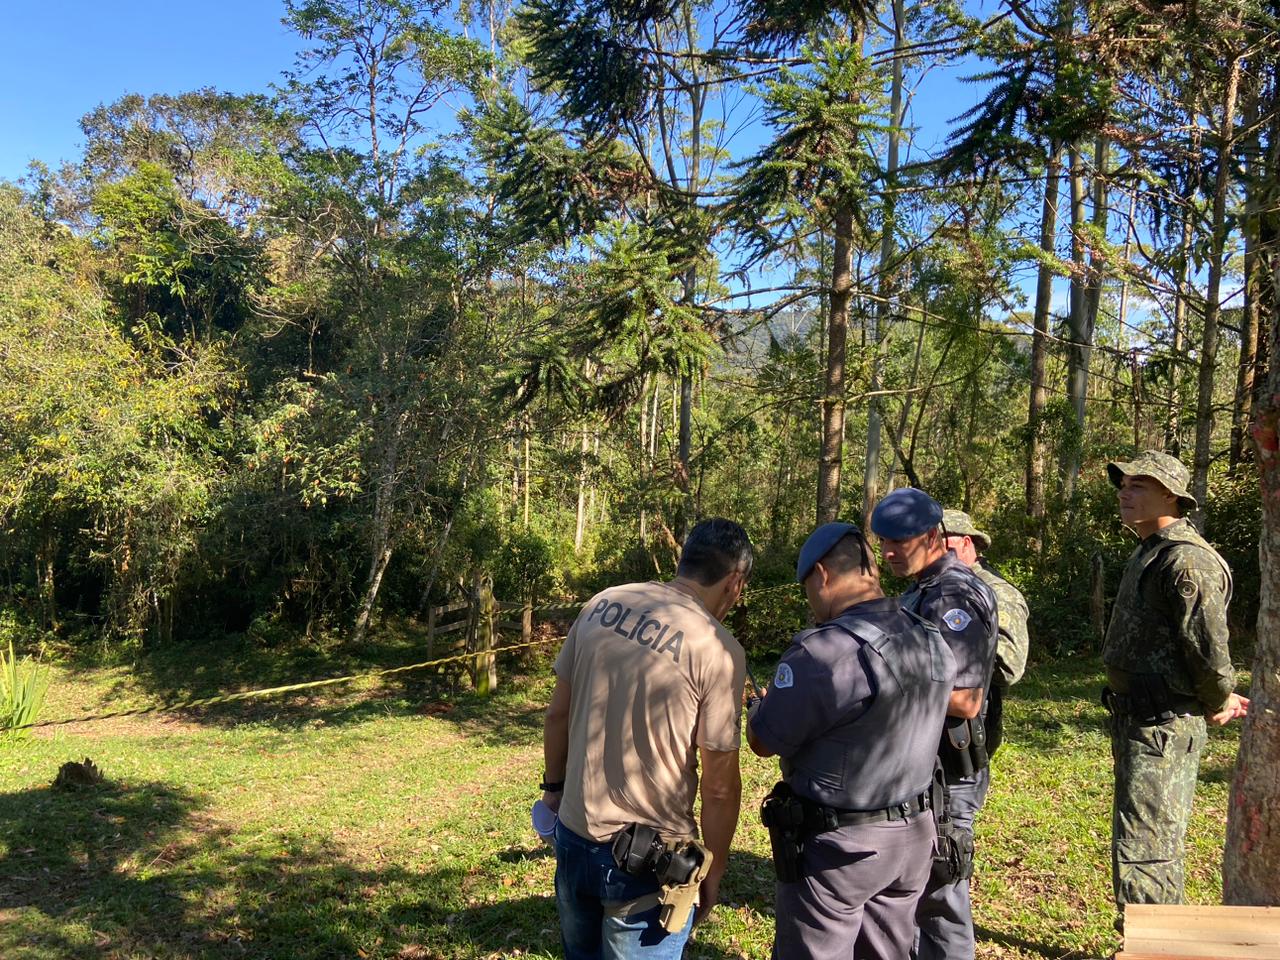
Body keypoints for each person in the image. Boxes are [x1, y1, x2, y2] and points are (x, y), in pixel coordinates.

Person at [541, 518, 752, 959]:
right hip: (651, 866)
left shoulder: (602, 604)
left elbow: (558, 713)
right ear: (734, 581)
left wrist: (554, 789)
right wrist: (712, 872)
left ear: (685, 560)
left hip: (574, 835)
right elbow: (719, 787)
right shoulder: (718, 650)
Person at [747, 522, 957, 960]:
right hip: (915, 836)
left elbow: (764, 740)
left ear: (822, 575)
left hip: (840, 849)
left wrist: (756, 709)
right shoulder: (930, 636)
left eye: (807, 587)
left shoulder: (824, 652)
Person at [1102, 451, 1249, 923]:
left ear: (1171, 496)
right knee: (1139, 839)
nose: (1124, 493)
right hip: (1138, 720)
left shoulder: (1187, 561)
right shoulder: (1151, 550)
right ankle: (1145, 938)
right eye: (1123, 484)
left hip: (1163, 724)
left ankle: (1157, 943)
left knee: (1148, 849)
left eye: (1138, 485)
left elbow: (1207, 649)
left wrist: (1218, 697)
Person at [870, 489, 998, 960]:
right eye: (883, 542)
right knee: (920, 892)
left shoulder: (950, 595)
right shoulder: (925, 587)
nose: (888, 552)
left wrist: (883, 684)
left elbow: (965, 699)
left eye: (898, 542)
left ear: (931, 537)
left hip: (948, 769)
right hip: (927, 766)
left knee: (941, 894)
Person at [941, 509, 1030, 755]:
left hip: (971, 727)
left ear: (966, 543)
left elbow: (1009, 667)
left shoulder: (996, 592)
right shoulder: (937, 586)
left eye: (945, 547)